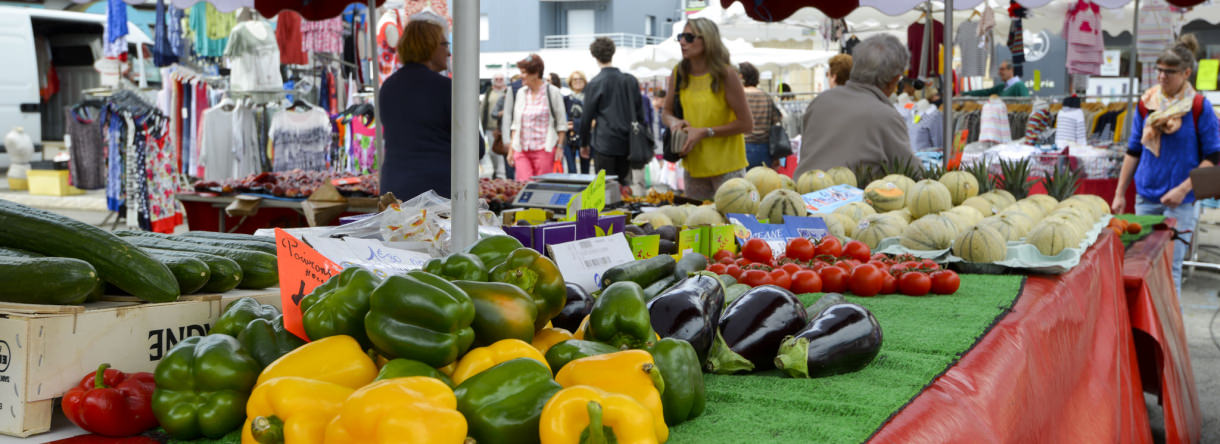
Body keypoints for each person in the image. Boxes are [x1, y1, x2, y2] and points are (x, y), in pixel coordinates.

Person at [1113, 34, 1220, 296]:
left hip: (1181, 202)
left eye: (1169, 72)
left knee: (1171, 271)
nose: (1161, 76)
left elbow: (1214, 158)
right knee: (1141, 267)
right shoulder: (1146, 104)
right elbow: (1134, 150)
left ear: (1186, 73)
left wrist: (1183, 190)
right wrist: (1118, 193)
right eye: (1158, 70)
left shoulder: (1199, 107)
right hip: (1146, 197)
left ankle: (1172, 336)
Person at [380, 18, 482, 199]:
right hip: (436, 193)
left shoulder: (388, 87)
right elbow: (475, 148)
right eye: (445, 44)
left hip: (394, 190)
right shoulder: (447, 88)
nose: (449, 52)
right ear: (429, 46)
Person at [794, 34, 916, 177]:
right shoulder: (886, 116)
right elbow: (910, 171)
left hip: (801, 195)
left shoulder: (820, 101)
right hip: (850, 197)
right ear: (893, 81)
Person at [661, 18, 753, 200]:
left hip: (727, 167)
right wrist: (674, 122)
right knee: (696, 224)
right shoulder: (679, 72)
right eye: (681, 36)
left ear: (707, 40)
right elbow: (666, 112)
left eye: (689, 37)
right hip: (693, 166)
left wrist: (705, 132)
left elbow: (746, 124)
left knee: (730, 225)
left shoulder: (725, 75)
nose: (682, 42)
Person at [580, 37, 644, 183]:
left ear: (594, 56)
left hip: (604, 142)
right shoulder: (630, 80)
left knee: (604, 189)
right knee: (623, 187)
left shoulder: (595, 83)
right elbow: (640, 114)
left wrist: (584, 143)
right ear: (613, 53)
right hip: (628, 141)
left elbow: (586, 118)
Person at [507, 54, 568, 181]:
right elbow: (515, 124)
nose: (520, 76)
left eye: (524, 72)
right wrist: (511, 149)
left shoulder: (553, 92)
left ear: (535, 73)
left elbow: (562, 124)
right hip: (521, 149)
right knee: (523, 187)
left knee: (542, 188)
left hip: (544, 149)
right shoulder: (521, 93)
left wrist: (560, 148)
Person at [738, 62, 780, 168]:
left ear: (741, 76)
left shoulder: (738, 96)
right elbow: (776, 121)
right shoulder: (766, 96)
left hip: (741, 147)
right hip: (764, 148)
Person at [480, 73, 508, 179]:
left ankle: (502, 176)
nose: (499, 80)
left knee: (502, 155)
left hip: (504, 129)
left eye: (501, 79)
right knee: (493, 154)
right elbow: (483, 110)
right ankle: (497, 175)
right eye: (497, 79)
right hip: (490, 129)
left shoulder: (508, 92)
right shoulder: (489, 92)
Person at [565, 71, 590, 174]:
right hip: (569, 138)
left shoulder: (589, 99)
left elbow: (592, 120)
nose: (578, 81)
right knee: (571, 170)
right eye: (575, 79)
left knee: (585, 170)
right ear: (570, 82)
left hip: (586, 137)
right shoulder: (566, 99)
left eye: (580, 79)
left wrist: (575, 124)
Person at [963, 60, 1029, 97]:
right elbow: (985, 92)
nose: (999, 72)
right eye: (999, 70)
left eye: (1002, 69)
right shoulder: (1002, 87)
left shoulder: (1019, 86)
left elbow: (1027, 106)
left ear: (1011, 70)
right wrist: (964, 94)